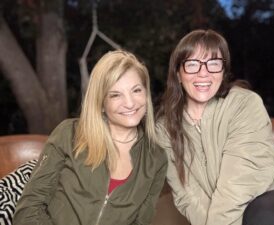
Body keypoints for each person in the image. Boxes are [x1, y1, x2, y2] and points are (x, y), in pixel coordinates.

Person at [156, 29, 274, 225]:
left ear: (223, 72)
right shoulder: (165, 128)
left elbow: (240, 183)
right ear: (178, 74)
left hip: (269, 194)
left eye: (213, 63)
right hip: (220, 214)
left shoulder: (244, 104)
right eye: (192, 64)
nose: (203, 72)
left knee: (262, 216)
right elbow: (186, 196)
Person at [13, 50, 167, 225]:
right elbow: (28, 210)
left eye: (136, 90)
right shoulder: (69, 134)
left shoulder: (156, 158)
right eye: (115, 95)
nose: (130, 103)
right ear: (101, 103)